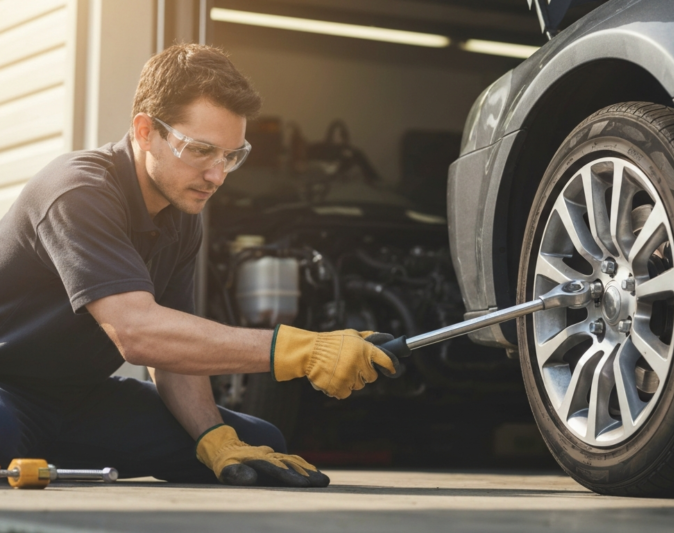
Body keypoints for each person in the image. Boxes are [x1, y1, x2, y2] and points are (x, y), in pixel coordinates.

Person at [0, 44, 398, 488]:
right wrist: (301, 350)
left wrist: (214, 439)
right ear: (145, 131)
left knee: (259, 442)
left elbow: (172, 350)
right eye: (201, 150)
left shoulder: (181, 216)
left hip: (80, 400)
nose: (217, 176)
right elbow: (138, 332)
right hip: (7, 390)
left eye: (230, 156)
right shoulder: (77, 191)